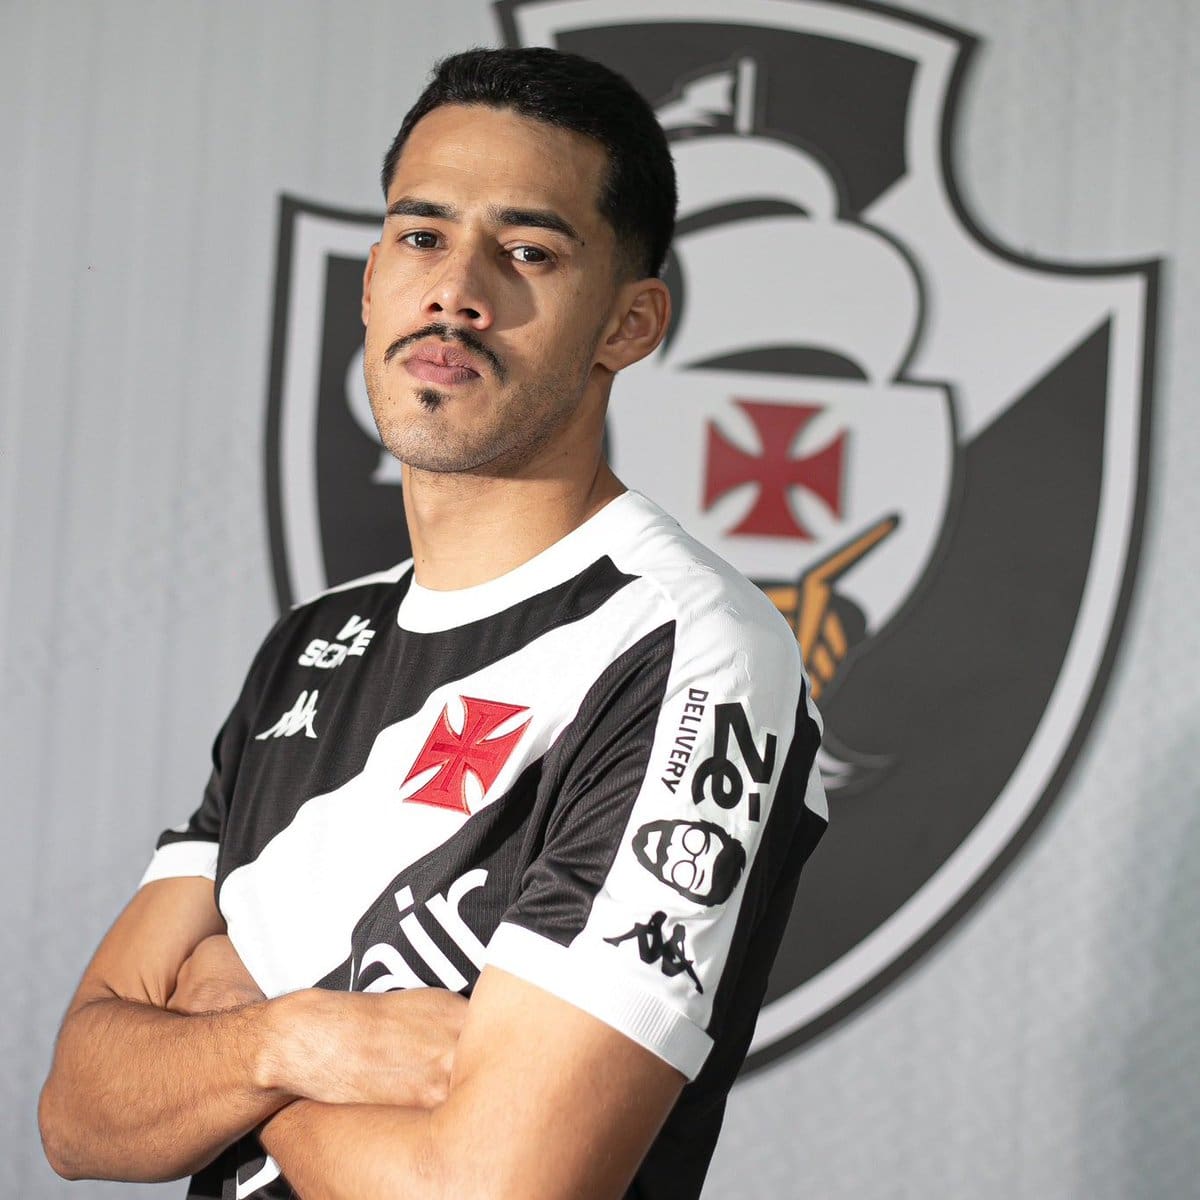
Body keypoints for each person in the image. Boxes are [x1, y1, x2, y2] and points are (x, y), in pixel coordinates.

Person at [38, 47, 828, 1200]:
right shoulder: (311, 643)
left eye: (527, 252)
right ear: (371, 282)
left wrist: (225, 1037)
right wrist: (295, 1041)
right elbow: (78, 1114)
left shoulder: (688, 648)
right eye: (421, 235)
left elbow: (497, 1187)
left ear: (629, 323)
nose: (456, 290)